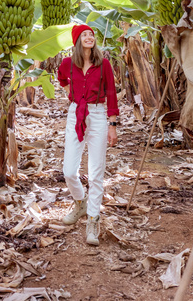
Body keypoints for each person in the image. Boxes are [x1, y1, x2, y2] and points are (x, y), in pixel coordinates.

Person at [56, 24, 119, 246]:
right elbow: (61, 77)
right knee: (69, 171)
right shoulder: (67, 63)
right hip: (76, 113)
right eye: (84, 34)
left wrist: (112, 124)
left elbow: (111, 94)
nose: (89, 37)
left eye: (91, 34)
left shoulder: (104, 65)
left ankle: (93, 219)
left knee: (95, 173)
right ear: (77, 41)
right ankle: (80, 202)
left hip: (99, 114)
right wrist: (69, 92)